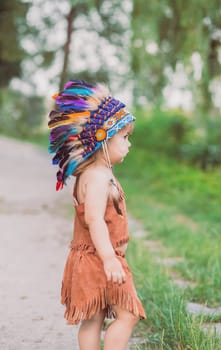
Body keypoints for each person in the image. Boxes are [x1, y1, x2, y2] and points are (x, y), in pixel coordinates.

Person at [48, 80, 146, 350]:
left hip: (88, 260)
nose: (129, 144)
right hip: (100, 260)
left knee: (93, 320)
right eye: (124, 137)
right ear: (102, 138)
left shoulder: (90, 175)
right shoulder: (98, 177)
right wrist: (109, 260)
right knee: (128, 315)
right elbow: (94, 220)